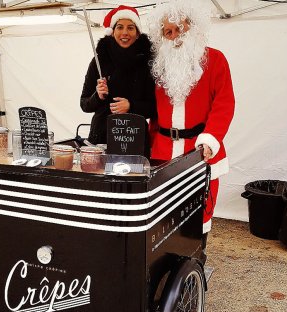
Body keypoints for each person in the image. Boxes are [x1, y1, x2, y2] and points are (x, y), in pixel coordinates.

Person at [148, 0, 236, 253]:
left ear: (192, 28)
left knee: (198, 212)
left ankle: (196, 260)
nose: (175, 37)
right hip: (162, 153)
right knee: (162, 217)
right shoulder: (158, 67)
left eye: (179, 29)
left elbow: (224, 104)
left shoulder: (215, 60)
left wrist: (210, 139)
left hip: (199, 151)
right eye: (168, 32)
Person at [79, 5, 157, 146]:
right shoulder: (99, 60)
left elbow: (155, 107)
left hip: (134, 139)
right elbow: (84, 104)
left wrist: (131, 106)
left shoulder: (148, 62)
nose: (125, 32)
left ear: (138, 33)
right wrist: (97, 96)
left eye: (130, 28)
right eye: (120, 27)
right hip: (101, 138)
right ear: (113, 31)